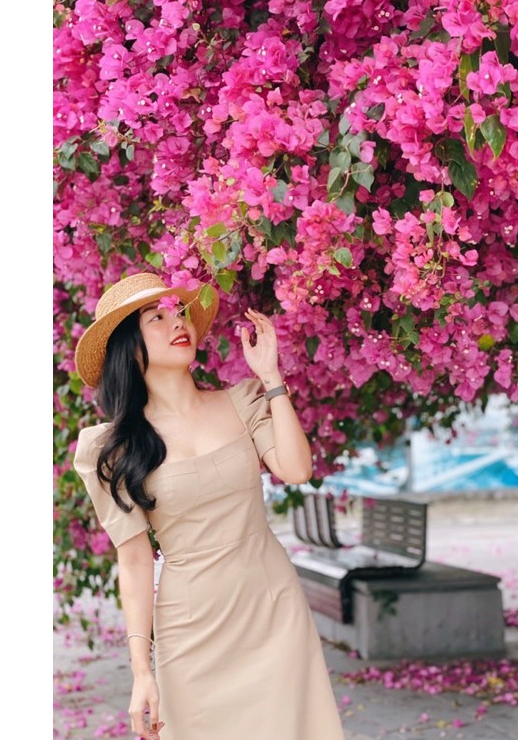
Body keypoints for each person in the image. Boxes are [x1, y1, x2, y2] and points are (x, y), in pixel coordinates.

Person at [71, 271, 346, 740]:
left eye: (178, 312)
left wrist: (271, 377)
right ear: (128, 349)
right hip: (190, 628)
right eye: (157, 318)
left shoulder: (242, 401)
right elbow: (134, 560)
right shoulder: (112, 449)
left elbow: (297, 469)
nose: (178, 322)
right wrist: (142, 672)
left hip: (272, 608)